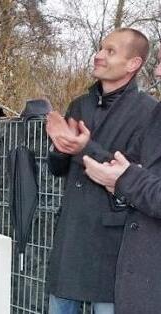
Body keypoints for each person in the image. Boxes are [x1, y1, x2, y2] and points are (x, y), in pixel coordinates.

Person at [45, 28, 158, 313]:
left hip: (113, 247)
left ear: (133, 64)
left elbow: (133, 176)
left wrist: (82, 147)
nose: (98, 55)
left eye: (110, 51)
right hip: (71, 238)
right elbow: (58, 170)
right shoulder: (79, 104)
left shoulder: (148, 111)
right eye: (100, 48)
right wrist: (59, 149)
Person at [82, 48, 161, 314]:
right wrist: (79, 147)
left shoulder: (146, 108)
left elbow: (134, 175)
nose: (158, 72)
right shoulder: (159, 114)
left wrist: (125, 179)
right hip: (139, 276)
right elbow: (130, 165)